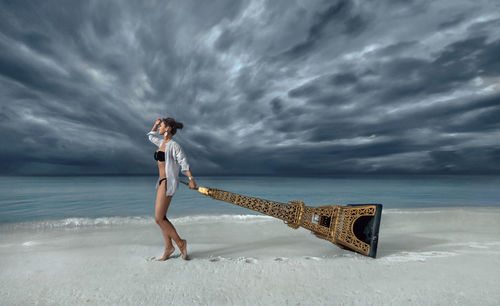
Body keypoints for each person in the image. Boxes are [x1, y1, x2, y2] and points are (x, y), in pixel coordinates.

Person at [147, 117, 197, 261]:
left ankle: (180, 243)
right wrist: (155, 124)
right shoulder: (161, 142)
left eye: (161, 126)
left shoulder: (174, 146)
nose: (159, 129)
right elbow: (150, 136)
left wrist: (191, 179)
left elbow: (184, 162)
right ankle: (169, 247)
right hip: (161, 181)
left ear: (168, 128)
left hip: (168, 182)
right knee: (161, 218)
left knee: (158, 218)